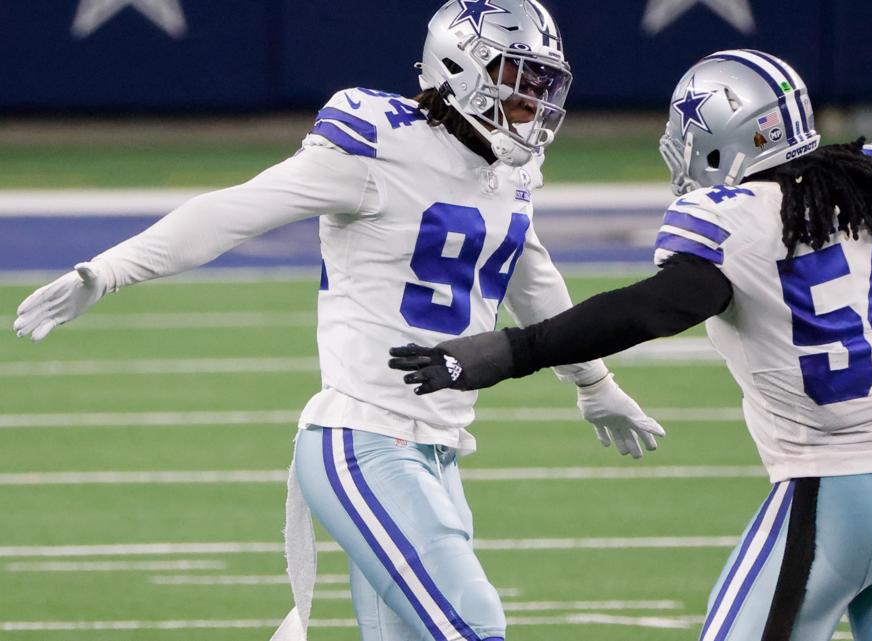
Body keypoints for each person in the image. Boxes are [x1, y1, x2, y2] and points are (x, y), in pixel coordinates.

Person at [389, 49, 872, 641]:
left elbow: (653, 309)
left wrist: (513, 350)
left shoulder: (732, 220)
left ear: (728, 135)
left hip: (829, 498)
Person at [12, 2, 666, 640]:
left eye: (541, 81)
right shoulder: (375, 146)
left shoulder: (510, 169)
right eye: (516, 77)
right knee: (474, 622)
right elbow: (237, 210)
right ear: (459, 70)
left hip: (436, 451)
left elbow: (531, 274)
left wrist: (593, 382)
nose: (534, 99)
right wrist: (110, 268)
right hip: (364, 441)